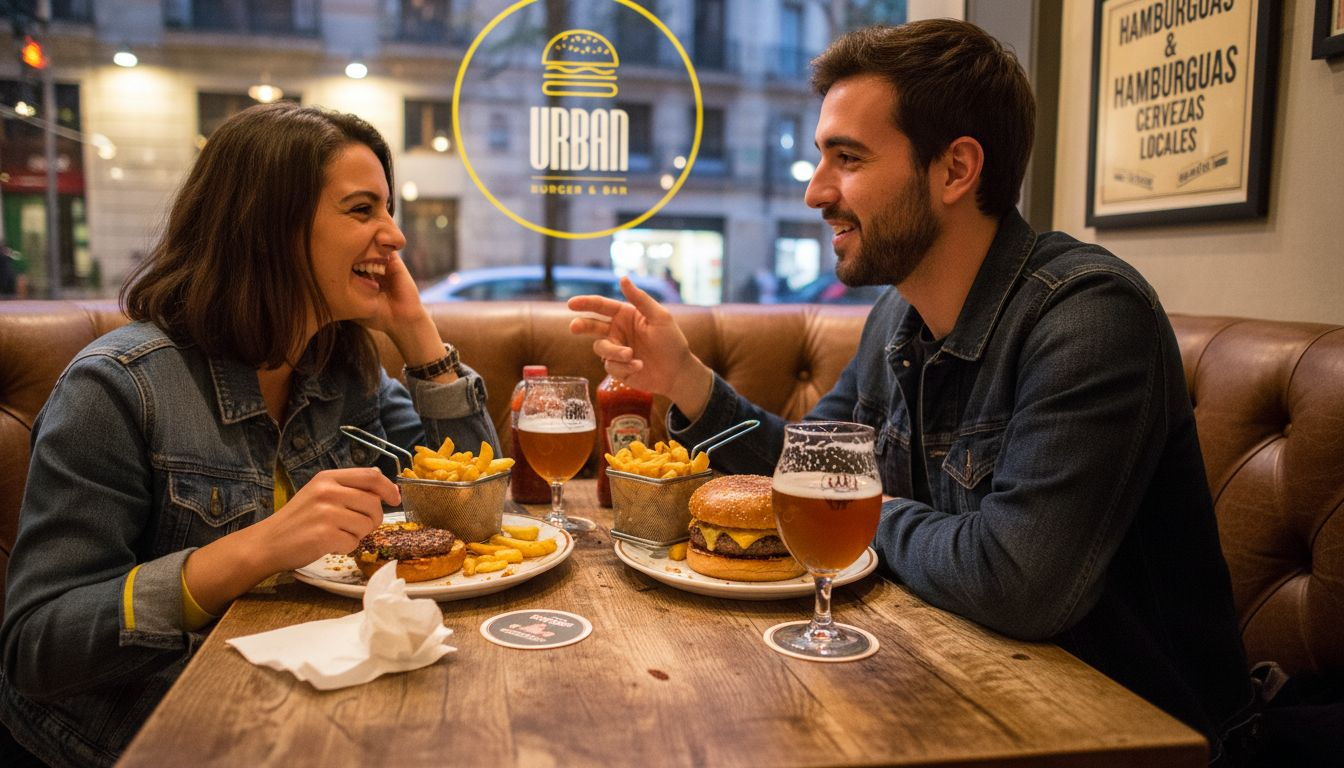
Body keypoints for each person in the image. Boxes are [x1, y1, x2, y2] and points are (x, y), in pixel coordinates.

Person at [569, 20, 1259, 765]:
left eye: (848, 158)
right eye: (819, 158)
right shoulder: (896, 314)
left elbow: (1017, 582)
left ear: (956, 169)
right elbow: (803, 466)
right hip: (959, 698)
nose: (814, 191)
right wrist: (686, 381)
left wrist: (863, 514)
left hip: (1136, 735)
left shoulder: (1088, 317)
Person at [0, 103, 497, 767]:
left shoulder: (341, 363)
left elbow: (476, 496)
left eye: (389, 211)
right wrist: (255, 549)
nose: (394, 236)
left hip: (307, 698)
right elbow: (39, 647)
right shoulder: (118, 387)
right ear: (270, 225)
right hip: (134, 737)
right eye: (362, 210)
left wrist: (417, 336)